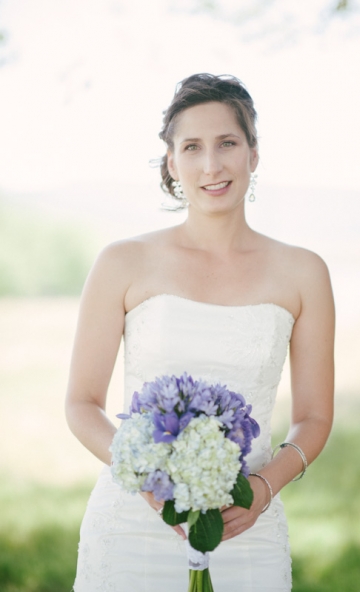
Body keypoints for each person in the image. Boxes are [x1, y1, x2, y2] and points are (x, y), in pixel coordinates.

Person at [66, 73, 335, 592]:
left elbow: (315, 417)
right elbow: (80, 404)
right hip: (131, 526)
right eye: (192, 147)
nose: (211, 165)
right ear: (172, 162)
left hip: (247, 527)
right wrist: (146, 477)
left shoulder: (304, 272)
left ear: (253, 154)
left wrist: (262, 487)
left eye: (227, 143)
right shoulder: (123, 262)